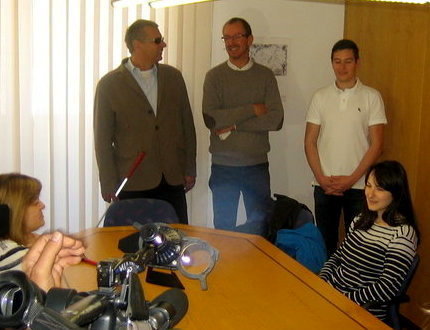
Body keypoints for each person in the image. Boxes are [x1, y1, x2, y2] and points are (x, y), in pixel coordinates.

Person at [94, 19, 197, 224]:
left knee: (175, 243)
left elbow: (187, 125)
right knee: (133, 245)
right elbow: (102, 140)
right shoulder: (109, 85)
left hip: (172, 177)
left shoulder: (174, 77)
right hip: (133, 181)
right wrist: (108, 183)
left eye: (163, 40)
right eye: (157, 40)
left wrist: (189, 168)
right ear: (137, 44)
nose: (163, 45)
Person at [305, 39, 387, 255]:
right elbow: (309, 141)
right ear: (331, 63)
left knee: (358, 245)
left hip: (360, 186)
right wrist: (322, 179)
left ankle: (351, 287)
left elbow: (377, 145)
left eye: (348, 61)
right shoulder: (320, 97)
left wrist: (351, 180)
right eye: (337, 61)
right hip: (325, 184)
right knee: (325, 244)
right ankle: (325, 287)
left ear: (357, 62)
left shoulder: (372, 96)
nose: (342, 67)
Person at [202, 17, 284, 231]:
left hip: (256, 166)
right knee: (223, 230)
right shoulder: (214, 77)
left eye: (237, 36)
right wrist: (252, 110)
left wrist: (236, 125)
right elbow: (211, 119)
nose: (231, 42)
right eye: (227, 37)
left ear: (250, 40)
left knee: (260, 229)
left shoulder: (265, 76)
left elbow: (276, 120)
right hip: (223, 167)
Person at [319, 160, 419, 321]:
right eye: (369, 185)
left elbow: (387, 287)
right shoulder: (361, 219)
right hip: (332, 295)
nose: (370, 194)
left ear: (396, 193)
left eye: (379, 189)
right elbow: (338, 257)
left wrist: (345, 299)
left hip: (360, 309)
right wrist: (321, 280)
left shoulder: (402, 234)